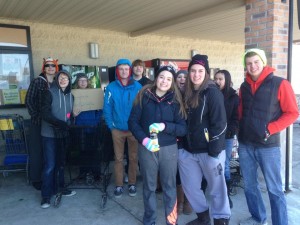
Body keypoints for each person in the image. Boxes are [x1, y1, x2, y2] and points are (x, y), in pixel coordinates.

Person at [238, 48, 299, 225]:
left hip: (268, 146)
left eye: (256, 62)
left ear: (263, 62)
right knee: (250, 186)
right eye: (249, 63)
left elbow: (292, 113)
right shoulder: (244, 86)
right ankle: (258, 218)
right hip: (245, 144)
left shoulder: (280, 84)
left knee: (274, 188)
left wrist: (271, 128)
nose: (253, 66)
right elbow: (241, 112)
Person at [128, 66, 187, 225]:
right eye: (162, 77)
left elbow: (182, 128)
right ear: (156, 78)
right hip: (147, 148)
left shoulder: (175, 100)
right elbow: (133, 122)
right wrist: (144, 140)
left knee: (169, 186)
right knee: (149, 186)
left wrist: (165, 126)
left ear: (172, 82)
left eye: (169, 79)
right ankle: (149, 220)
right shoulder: (143, 96)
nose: (164, 81)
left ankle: (171, 221)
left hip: (169, 149)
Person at [178, 54, 231, 225]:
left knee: (217, 188)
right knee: (191, 187)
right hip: (187, 151)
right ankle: (203, 216)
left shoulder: (212, 93)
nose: (196, 74)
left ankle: (221, 218)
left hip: (210, 151)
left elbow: (220, 123)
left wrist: (214, 151)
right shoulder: (184, 93)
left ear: (206, 73)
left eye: (200, 71)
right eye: (193, 70)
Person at [103, 58, 142, 198]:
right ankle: (119, 185)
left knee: (133, 158)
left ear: (130, 70)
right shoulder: (111, 87)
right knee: (118, 159)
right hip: (117, 130)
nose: (124, 71)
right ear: (117, 71)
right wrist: (111, 126)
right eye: (121, 69)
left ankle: (132, 183)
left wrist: (138, 126)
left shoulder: (138, 87)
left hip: (133, 130)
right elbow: (107, 108)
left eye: (126, 69)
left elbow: (141, 108)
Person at [40, 70, 76, 209]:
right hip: (49, 135)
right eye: (61, 78)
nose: (63, 80)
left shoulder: (71, 96)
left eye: (66, 78)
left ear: (69, 81)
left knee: (61, 163)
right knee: (50, 165)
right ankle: (46, 196)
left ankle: (60, 188)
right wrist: (58, 123)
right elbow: (45, 113)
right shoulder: (49, 93)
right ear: (56, 79)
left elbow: (68, 115)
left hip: (63, 135)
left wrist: (71, 119)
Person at [25, 57, 58, 190]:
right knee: (37, 152)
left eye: (53, 65)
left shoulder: (57, 83)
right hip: (38, 123)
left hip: (52, 124)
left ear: (56, 68)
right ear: (44, 68)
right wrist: (37, 116)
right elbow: (29, 100)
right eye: (48, 65)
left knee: (50, 152)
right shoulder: (37, 82)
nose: (50, 68)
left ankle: (51, 177)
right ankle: (37, 179)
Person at [124, 59, 152, 183]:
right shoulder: (126, 81)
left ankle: (144, 172)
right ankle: (129, 173)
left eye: (140, 67)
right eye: (135, 67)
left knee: (143, 149)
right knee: (129, 151)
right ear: (132, 69)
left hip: (144, 119)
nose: (138, 69)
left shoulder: (149, 83)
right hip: (129, 118)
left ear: (143, 69)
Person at [214, 69, 239, 209]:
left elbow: (236, 118)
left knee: (225, 165)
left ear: (227, 80)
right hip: (212, 136)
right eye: (216, 78)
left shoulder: (234, 97)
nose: (217, 81)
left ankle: (226, 194)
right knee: (212, 164)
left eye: (220, 79)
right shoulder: (212, 93)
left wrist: (230, 131)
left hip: (227, 137)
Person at [73, 73, 103, 178]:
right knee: (82, 151)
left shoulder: (94, 94)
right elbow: (68, 112)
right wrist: (72, 115)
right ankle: (83, 173)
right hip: (80, 127)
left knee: (95, 151)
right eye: (80, 80)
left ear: (87, 82)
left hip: (93, 126)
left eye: (84, 80)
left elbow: (100, 109)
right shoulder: (73, 94)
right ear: (77, 82)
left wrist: (96, 120)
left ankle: (96, 174)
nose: (82, 82)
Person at [174, 69, 192, 215]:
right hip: (177, 138)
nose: (181, 79)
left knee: (190, 172)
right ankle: (179, 202)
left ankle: (188, 201)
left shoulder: (193, 95)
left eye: (184, 77)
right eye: (179, 76)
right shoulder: (172, 95)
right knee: (178, 172)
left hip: (192, 139)